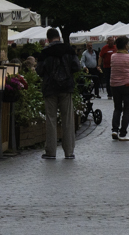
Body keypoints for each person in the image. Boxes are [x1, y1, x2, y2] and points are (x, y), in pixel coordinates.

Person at [37, 27, 81, 162]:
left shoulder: (44, 52)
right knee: (67, 119)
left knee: (51, 119)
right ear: (59, 37)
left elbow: (39, 70)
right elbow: (76, 67)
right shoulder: (68, 50)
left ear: (48, 39)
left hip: (50, 88)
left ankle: (51, 151)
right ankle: (69, 152)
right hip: (66, 87)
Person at [103, 37, 129, 142]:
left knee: (117, 108)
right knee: (127, 109)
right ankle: (123, 133)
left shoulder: (113, 56)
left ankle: (114, 130)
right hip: (127, 84)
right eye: (128, 44)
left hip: (114, 85)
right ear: (125, 45)